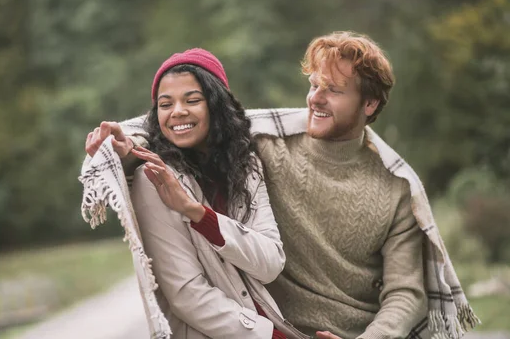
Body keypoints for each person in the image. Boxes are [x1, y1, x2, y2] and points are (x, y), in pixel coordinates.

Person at [85, 32, 478, 339]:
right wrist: (126, 152)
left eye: (334, 90)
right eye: (313, 85)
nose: (315, 100)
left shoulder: (397, 190)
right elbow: (174, 127)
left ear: (370, 104)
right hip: (275, 328)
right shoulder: (268, 147)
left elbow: (406, 293)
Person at [94, 48, 307, 338]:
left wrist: (197, 213)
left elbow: (269, 264)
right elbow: (187, 295)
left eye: (192, 100)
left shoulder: (246, 166)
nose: (178, 111)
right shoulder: (154, 179)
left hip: (270, 324)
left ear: (216, 106)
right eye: (165, 104)